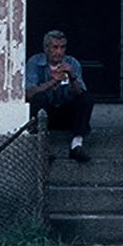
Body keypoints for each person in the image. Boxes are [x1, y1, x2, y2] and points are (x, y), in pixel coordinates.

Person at [26, 29, 92, 161]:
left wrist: (72, 77)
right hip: (45, 115)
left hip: (65, 113)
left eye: (62, 47)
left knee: (86, 98)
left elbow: (80, 92)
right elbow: (29, 93)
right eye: (55, 47)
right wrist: (53, 81)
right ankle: (43, 146)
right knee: (39, 98)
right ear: (46, 48)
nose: (59, 52)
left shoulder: (72, 63)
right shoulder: (35, 62)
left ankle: (76, 145)